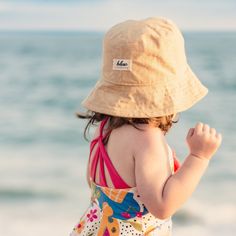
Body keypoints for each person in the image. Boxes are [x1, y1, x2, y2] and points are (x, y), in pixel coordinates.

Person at [70, 17, 222, 236]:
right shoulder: (147, 139)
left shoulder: (103, 130)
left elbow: (92, 183)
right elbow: (162, 205)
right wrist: (199, 157)